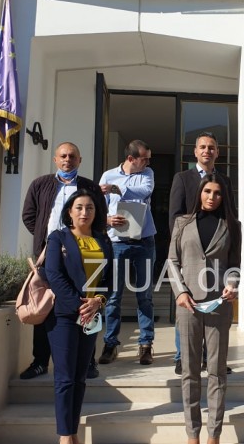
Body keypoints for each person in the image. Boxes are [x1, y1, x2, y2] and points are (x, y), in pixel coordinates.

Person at [21, 142, 107, 380]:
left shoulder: (90, 187)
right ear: (55, 160)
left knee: (87, 303)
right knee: (45, 306)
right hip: (49, 256)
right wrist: (49, 241)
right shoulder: (40, 184)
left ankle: (88, 361)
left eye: (72, 156)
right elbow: (29, 215)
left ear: (79, 160)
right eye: (63, 156)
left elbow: (100, 218)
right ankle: (40, 361)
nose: (67, 160)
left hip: (82, 255)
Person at [167, 174, 241, 444]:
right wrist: (181, 292)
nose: (212, 197)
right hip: (188, 304)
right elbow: (172, 261)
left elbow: (235, 263)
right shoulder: (182, 223)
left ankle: (214, 435)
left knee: (217, 372)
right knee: (190, 372)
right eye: (207, 191)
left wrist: (232, 284)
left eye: (217, 193)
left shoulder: (232, 225)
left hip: (219, 304)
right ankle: (192, 434)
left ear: (224, 196)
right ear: (200, 193)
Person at [43, 188, 114, 444]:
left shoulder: (103, 240)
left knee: (79, 377)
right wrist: (79, 305)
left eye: (90, 208)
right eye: (79, 207)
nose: (85, 212)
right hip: (64, 316)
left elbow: (109, 279)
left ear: (97, 212)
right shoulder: (58, 238)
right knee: (64, 378)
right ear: (70, 212)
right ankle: (65, 437)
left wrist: (98, 302)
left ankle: (73, 432)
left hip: (91, 316)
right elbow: (54, 275)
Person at [169, 131, 236, 375]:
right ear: (195, 151)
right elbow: (175, 215)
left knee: (215, 311)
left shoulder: (224, 181)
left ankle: (213, 359)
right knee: (187, 307)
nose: (207, 151)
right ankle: (183, 357)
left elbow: (231, 213)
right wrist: (181, 248)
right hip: (190, 252)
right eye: (203, 147)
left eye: (211, 147)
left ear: (217, 152)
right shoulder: (182, 178)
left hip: (216, 251)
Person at [98, 140, 157, 366]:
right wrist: (107, 220)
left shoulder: (147, 173)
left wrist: (118, 189)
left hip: (144, 241)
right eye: (144, 158)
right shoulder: (108, 175)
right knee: (114, 296)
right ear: (131, 158)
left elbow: (145, 192)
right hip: (117, 242)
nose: (148, 162)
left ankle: (146, 344)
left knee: (145, 295)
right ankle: (110, 344)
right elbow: (99, 206)